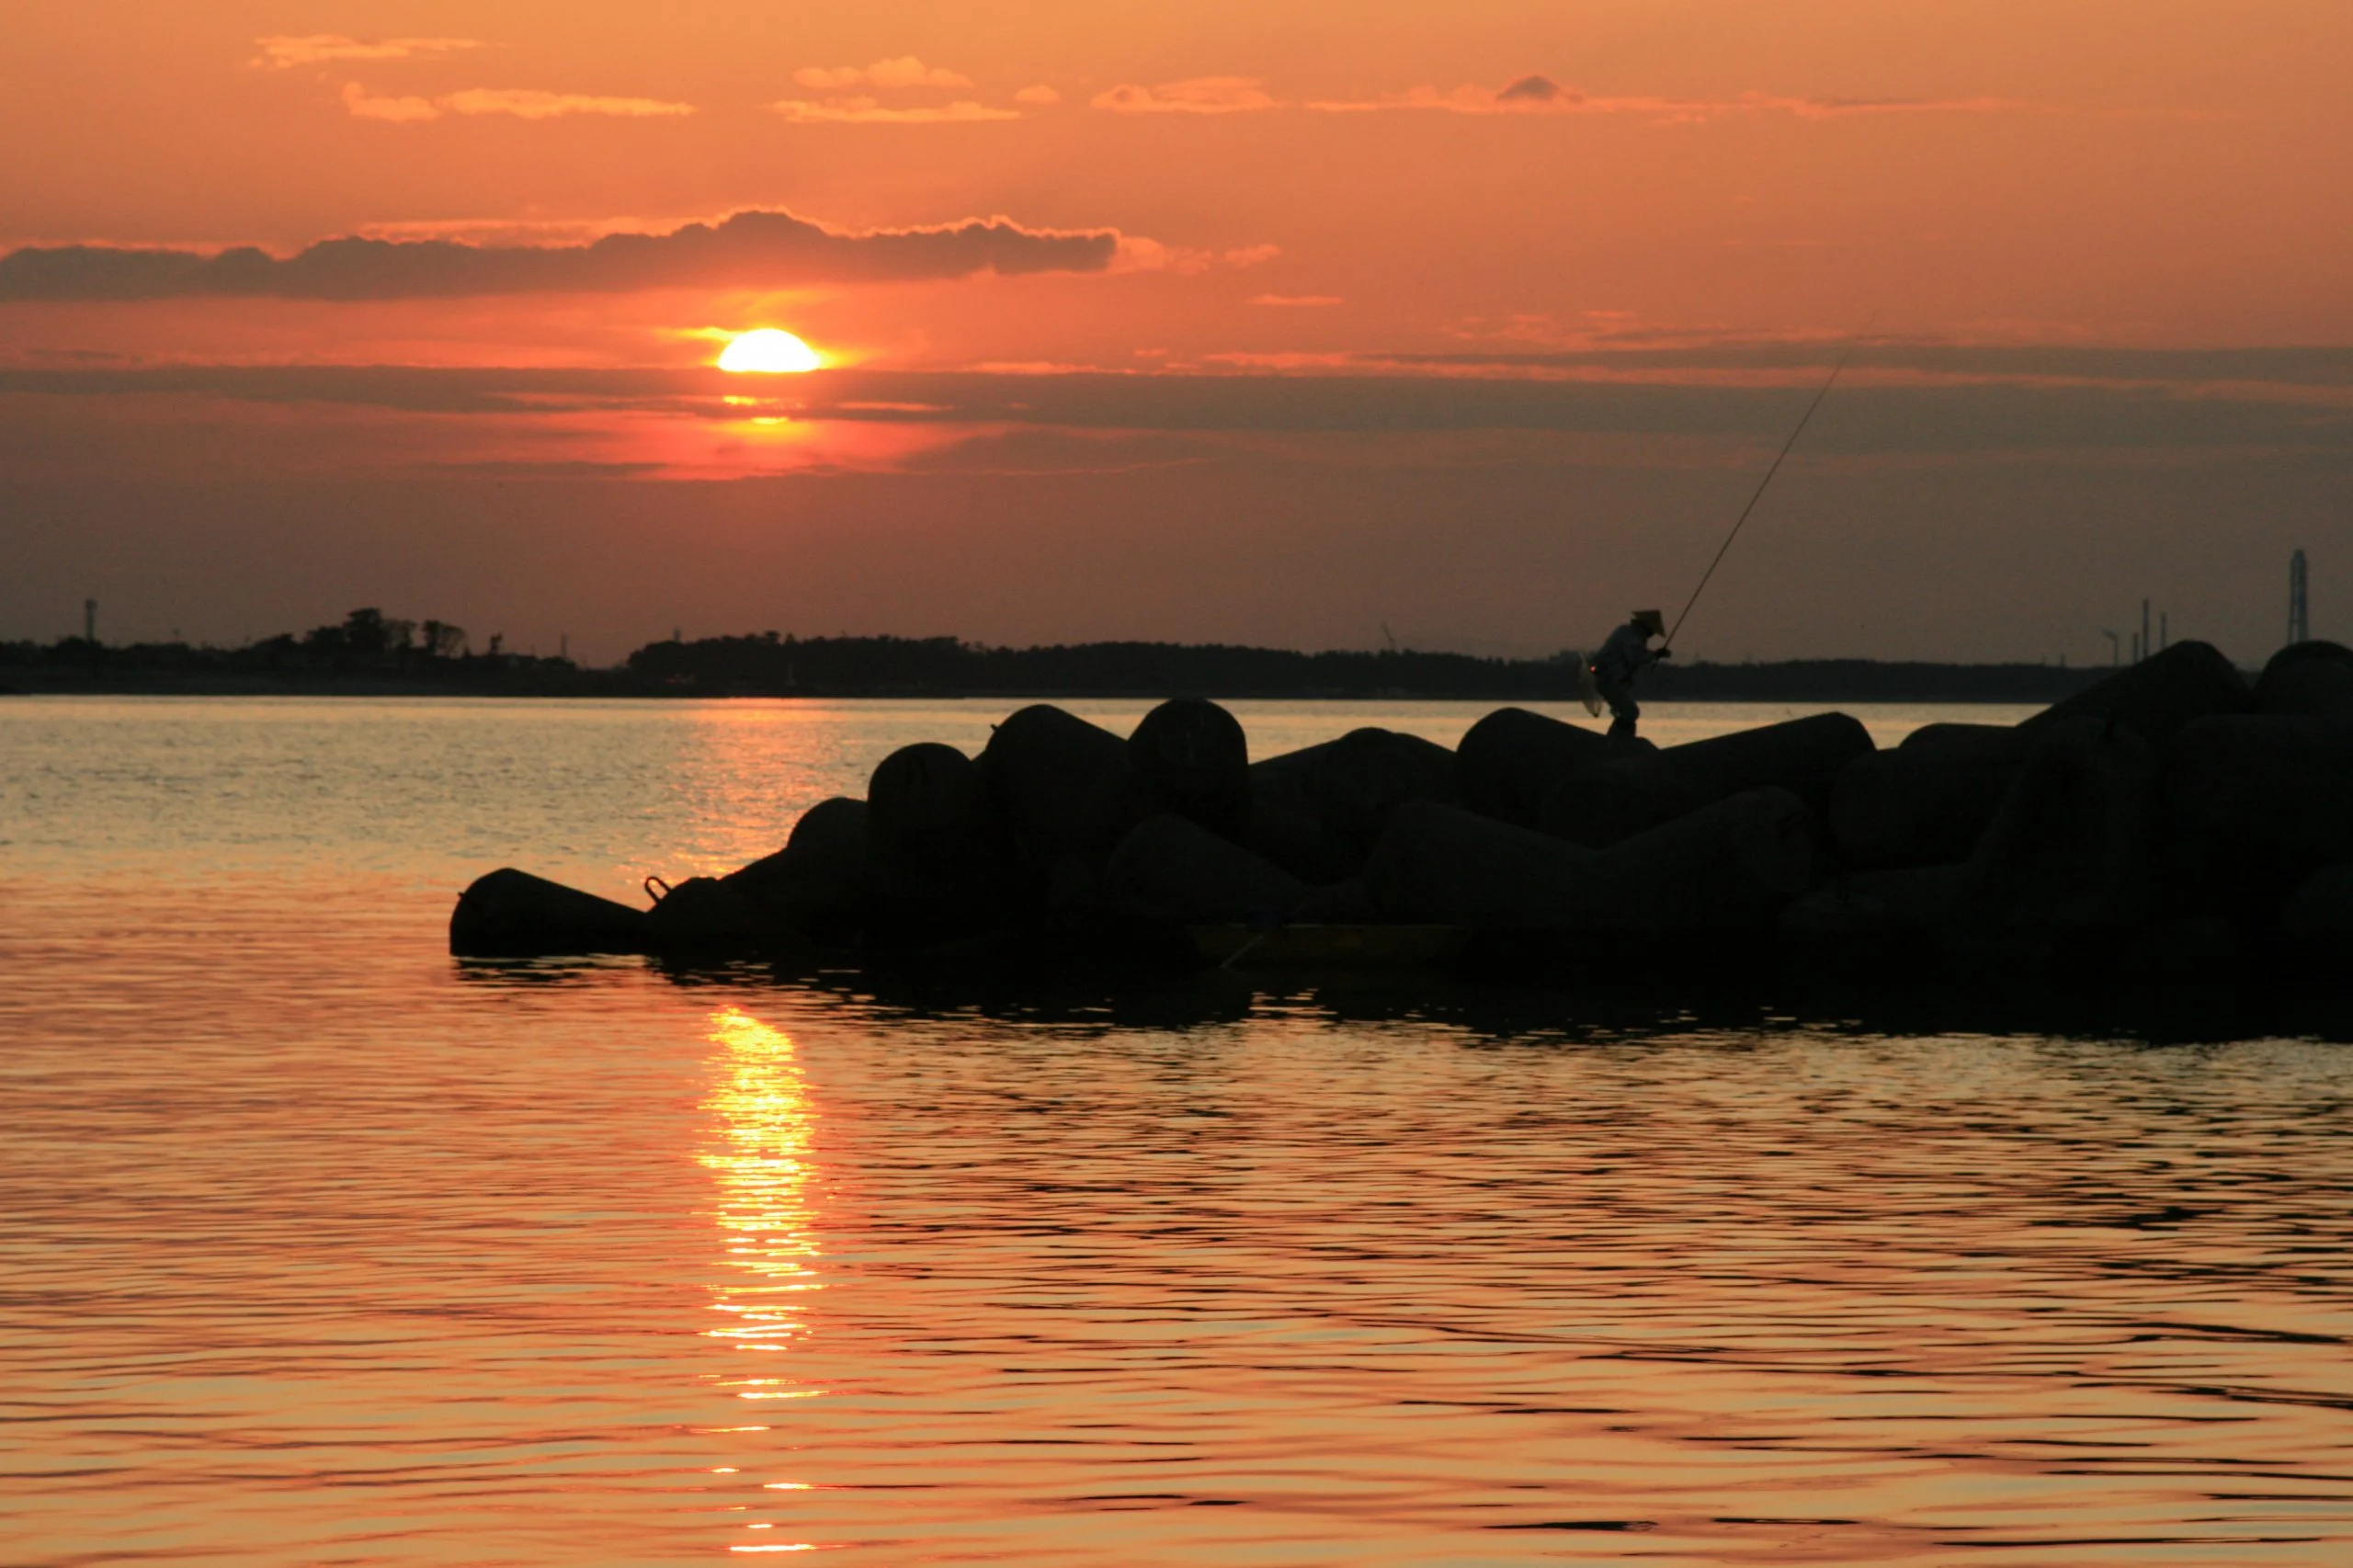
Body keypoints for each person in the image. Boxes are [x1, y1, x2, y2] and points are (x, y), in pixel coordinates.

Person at [1591, 609, 1670, 738]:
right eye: (1652, 631)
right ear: (1646, 627)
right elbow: (1635, 658)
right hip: (1606, 679)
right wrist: (1655, 655)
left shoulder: (1627, 633)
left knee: (1625, 712)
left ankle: (1617, 739)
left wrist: (1654, 655)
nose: (1652, 634)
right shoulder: (1630, 636)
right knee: (1630, 712)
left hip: (1609, 679)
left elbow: (1636, 656)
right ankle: (1615, 741)